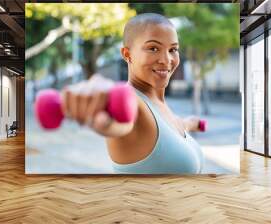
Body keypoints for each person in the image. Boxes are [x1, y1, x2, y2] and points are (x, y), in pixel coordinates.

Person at [61, 13, 204, 174]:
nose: (166, 59)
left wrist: (193, 124)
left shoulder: (158, 104)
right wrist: (104, 101)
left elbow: (170, 129)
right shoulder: (133, 103)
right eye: (153, 48)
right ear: (127, 54)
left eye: (173, 49)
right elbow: (120, 120)